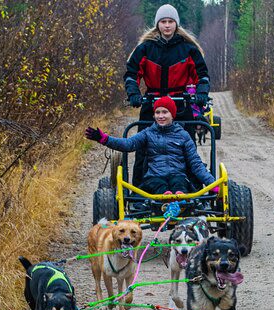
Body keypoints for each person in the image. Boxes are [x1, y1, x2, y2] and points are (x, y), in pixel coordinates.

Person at [124, 4, 211, 185]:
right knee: (143, 148)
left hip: (180, 104)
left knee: (187, 148)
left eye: (170, 21)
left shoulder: (188, 49)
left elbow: (202, 75)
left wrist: (201, 92)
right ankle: (139, 193)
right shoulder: (146, 49)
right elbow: (131, 74)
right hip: (152, 105)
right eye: (163, 21)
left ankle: (192, 187)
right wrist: (133, 93)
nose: (167, 25)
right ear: (158, 24)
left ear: (176, 24)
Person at [85, 96, 216, 195]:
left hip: (178, 175)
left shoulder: (183, 135)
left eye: (165, 112)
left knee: (179, 183)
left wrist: (213, 184)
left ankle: (178, 200)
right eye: (158, 112)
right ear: (153, 115)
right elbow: (128, 144)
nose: (161, 116)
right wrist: (104, 139)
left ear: (172, 115)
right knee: (159, 184)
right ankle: (166, 199)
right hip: (154, 176)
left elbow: (196, 164)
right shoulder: (147, 133)